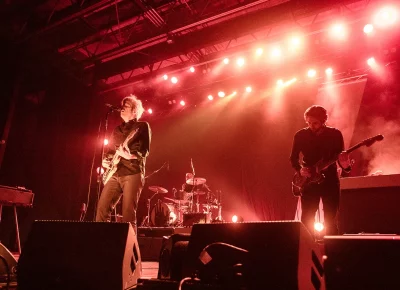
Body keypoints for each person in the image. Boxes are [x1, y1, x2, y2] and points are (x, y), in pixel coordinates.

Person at [289, 105, 351, 236]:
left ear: (324, 120)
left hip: (330, 181)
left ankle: (332, 252)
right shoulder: (300, 135)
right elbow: (293, 158)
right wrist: (300, 170)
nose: (311, 126)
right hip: (309, 181)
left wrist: (346, 165)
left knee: (331, 219)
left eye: (315, 123)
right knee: (306, 219)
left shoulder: (335, 134)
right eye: (309, 123)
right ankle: (306, 251)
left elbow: (340, 158)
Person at [96, 94, 151, 232]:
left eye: (126, 106)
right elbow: (110, 151)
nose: (122, 108)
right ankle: (101, 246)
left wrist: (129, 155)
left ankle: (131, 251)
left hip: (132, 172)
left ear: (134, 111)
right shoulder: (117, 130)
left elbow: (144, 151)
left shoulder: (142, 126)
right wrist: (106, 160)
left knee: (128, 215)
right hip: (115, 173)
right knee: (102, 211)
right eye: (122, 106)